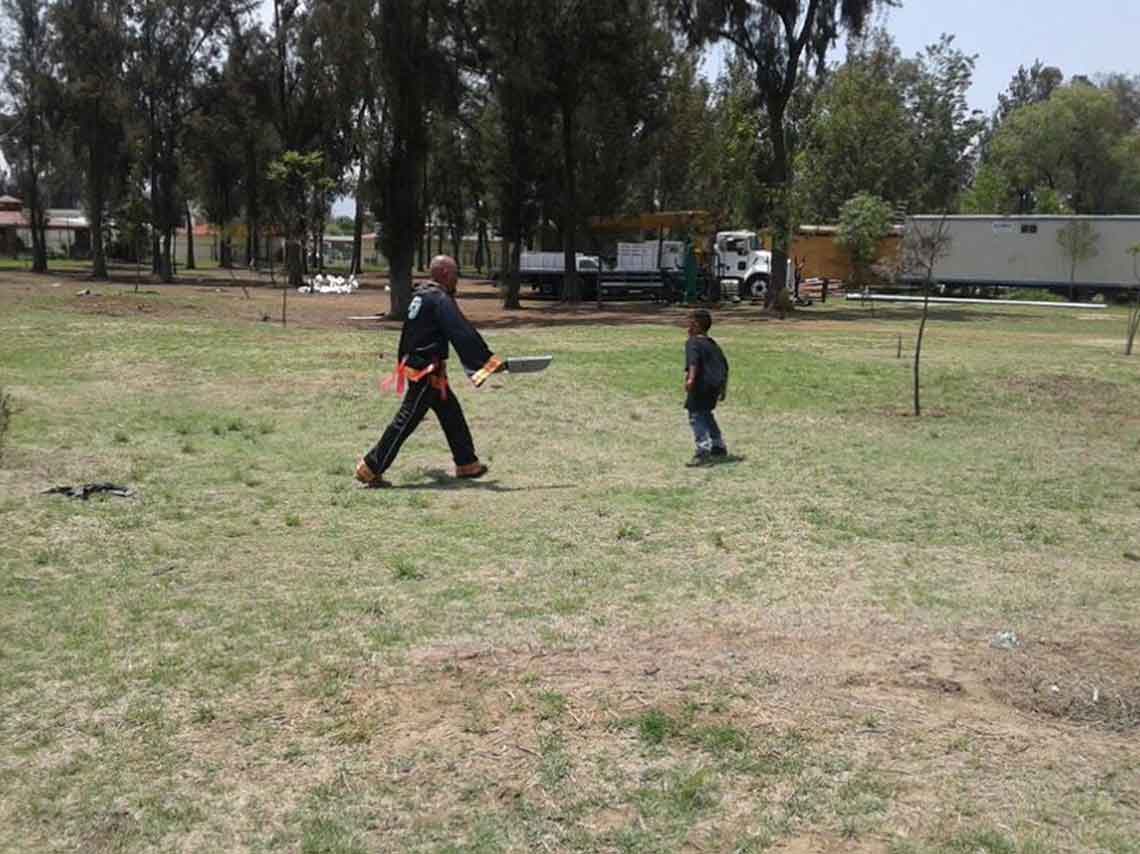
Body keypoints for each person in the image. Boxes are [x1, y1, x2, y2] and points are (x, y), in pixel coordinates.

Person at [355, 255, 504, 487]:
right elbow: (461, 330)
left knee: (451, 413)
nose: (457, 279)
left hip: (422, 365)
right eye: (455, 274)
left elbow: (410, 333)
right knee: (406, 419)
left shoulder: (421, 296)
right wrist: (487, 361)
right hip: (426, 370)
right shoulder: (439, 298)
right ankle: (371, 466)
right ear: (445, 273)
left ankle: (467, 463)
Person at [683, 309, 729, 466]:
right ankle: (718, 445)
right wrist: (723, 388)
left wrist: (690, 379)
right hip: (714, 386)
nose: (687, 327)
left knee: (695, 416)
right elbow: (724, 365)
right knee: (706, 414)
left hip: (700, 385)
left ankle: (703, 451)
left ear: (695, 325)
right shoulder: (713, 344)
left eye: (689, 323)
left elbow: (693, 363)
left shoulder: (693, 342)